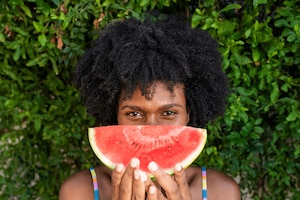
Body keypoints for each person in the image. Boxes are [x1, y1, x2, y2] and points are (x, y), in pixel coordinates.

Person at [59, 14, 241, 200]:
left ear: (189, 113)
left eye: (169, 113)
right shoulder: (79, 191)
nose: (151, 129)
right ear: (114, 114)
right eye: (134, 113)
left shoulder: (221, 191)